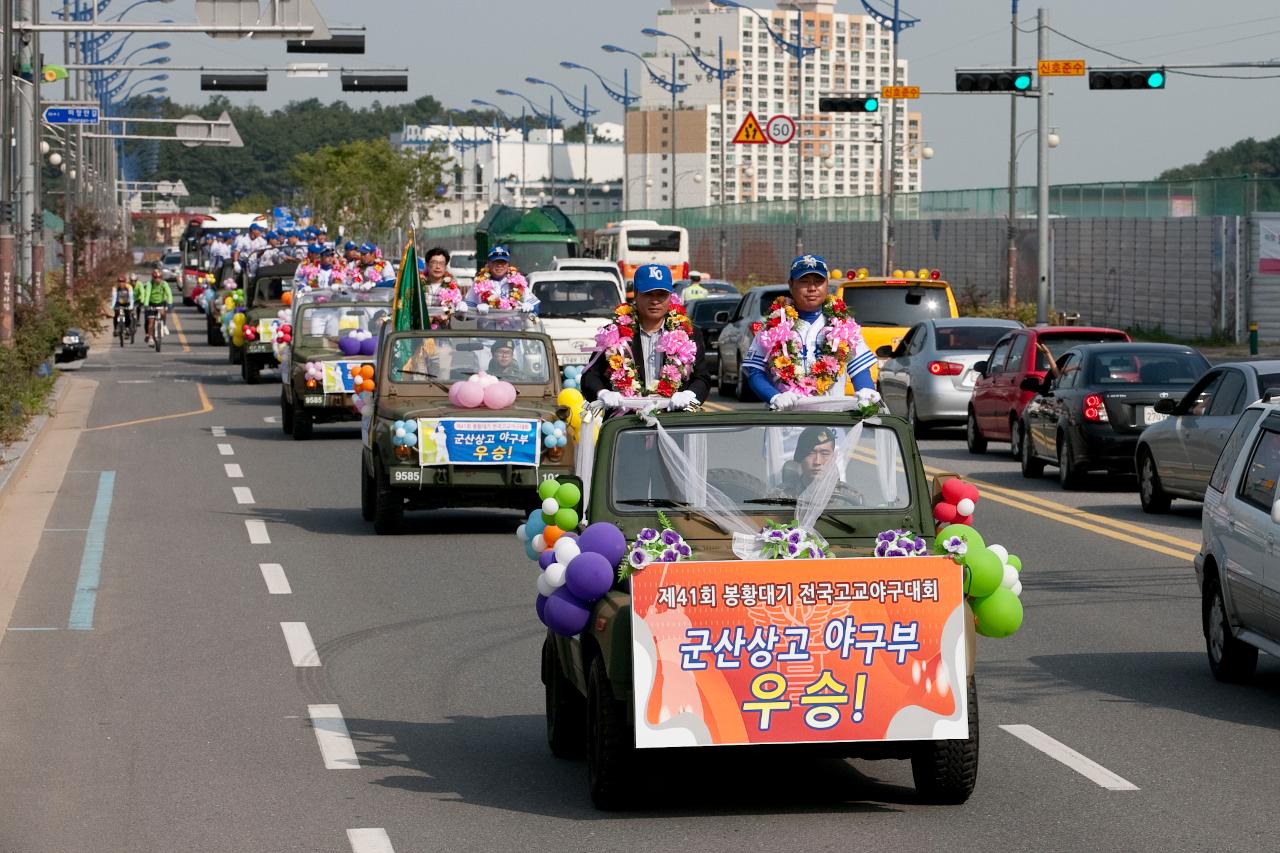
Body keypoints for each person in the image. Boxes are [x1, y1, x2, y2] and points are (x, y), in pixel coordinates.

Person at [742, 254, 876, 410]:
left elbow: (859, 370)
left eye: (818, 282)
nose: (812, 288)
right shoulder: (773, 325)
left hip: (832, 423)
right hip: (784, 423)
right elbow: (755, 372)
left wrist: (867, 393)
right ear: (791, 285)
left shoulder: (844, 327)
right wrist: (774, 396)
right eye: (804, 282)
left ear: (827, 284)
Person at [581, 263, 711, 410]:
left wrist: (689, 394)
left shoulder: (688, 334)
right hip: (626, 423)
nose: (655, 301)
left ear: (670, 296)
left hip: (675, 422)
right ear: (635, 294)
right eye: (648, 294)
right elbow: (589, 377)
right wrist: (603, 393)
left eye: (661, 294)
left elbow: (702, 378)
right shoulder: (613, 335)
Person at [768, 425, 863, 506]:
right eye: (810, 453)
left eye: (825, 453)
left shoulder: (851, 499)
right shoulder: (780, 496)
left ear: (833, 458)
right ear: (800, 457)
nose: (817, 461)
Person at [466, 246, 537, 312]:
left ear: (507, 264)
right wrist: (475, 308)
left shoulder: (517, 281)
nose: (499, 265)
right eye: (496, 262)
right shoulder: (479, 283)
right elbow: (467, 311)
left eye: (503, 262)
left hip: (513, 324)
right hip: (488, 324)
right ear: (488, 263)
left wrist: (530, 306)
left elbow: (535, 305)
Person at [141, 267, 173, 344]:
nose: (157, 279)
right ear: (153, 278)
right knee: (151, 322)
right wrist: (146, 305)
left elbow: (169, 293)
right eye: (155, 278)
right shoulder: (150, 284)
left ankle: (164, 325)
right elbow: (147, 294)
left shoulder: (164, 284)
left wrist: (170, 303)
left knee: (163, 312)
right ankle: (151, 338)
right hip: (151, 303)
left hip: (161, 302)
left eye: (159, 278)